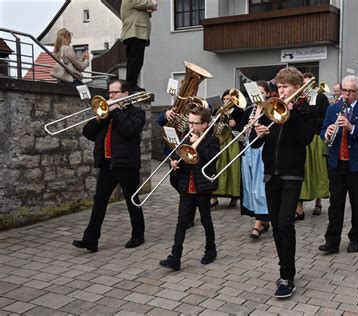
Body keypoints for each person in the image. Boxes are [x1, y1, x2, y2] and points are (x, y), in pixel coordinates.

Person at [251, 67, 317, 298]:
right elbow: (254, 144)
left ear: (296, 88)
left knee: (285, 224)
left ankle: (287, 276)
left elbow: (306, 138)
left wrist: (291, 114)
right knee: (277, 226)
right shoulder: (268, 108)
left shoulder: (306, 109)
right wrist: (257, 133)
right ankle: (285, 269)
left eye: (285, 87)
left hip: (292, 174)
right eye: (279, 87)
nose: (281, 91)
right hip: (271, 174)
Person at [73, 80, 146, 252]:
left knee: (132, 200)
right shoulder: (105, 114)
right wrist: (98, 119)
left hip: (126, 165)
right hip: (107, 165)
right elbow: (88, 133)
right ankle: (90, 239)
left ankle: (138, 234)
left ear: (125, 94)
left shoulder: (137, 113)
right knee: (99, 201)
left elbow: (129, 130)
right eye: (110, 93)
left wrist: (117, 112)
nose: (110, 96)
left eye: (114, 93)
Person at [319, 75, 358, 254]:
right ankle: (332, 241)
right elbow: (322, 130)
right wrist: (327, 133)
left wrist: (352, 128)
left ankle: (355, 238)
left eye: (351, 91)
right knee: (335, 204)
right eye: (344, 90)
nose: (347, 94)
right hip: (337, 163)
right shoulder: (333, 108)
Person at [159, 107, 220, 271]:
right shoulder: (185, 138)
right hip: (186, 185)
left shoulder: (212, 140)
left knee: (206, 219)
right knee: (181, 222)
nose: (191, 126)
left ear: (205, 124)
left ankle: (211, 250)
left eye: (195, 123)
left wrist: (196, 144)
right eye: (190, 122)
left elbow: (211, 159)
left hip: (203, 187)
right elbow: (179, 156)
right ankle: (175, 257)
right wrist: (174, 162)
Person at [296, 73, 330, 218]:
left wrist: (311, 119)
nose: (306, 86)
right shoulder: (298, 97)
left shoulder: (320, 97)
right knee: (302, 171)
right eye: (303, 83)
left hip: (316, 137)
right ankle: (299, 207)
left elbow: (327, 117)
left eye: (308, 83)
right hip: (302, 137)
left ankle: (318, 201)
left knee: (317, 169)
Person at [240, 80, 270, 239]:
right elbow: (241, 130)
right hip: (248, 150)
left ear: (267, 94)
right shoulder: (249, 110)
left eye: (261, 92)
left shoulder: (270, 110)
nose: (257, 96)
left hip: (262, 151)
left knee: (260, 187)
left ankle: (258, 224)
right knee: (251, 186)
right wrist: (246, 128)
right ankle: (263, 220)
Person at [210, 90, 243, 209]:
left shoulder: (239, 111)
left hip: (232, 142)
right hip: (218, 142)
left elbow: (243, 127)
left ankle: (234, 196)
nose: (226, 101)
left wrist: (236, 124)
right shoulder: (217, 110)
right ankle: (213, 197)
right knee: (216, 167)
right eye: (224, 99)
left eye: (229, 99)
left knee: (232, 168)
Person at [121, 0, 157, 92]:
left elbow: (148, 9)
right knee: (135, 60)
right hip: (134, 33)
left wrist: (150, 7)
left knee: (137, 61)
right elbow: (146, 4)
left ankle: (132, 84)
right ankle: (130, 85)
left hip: (137, 33)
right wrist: (153, 3)